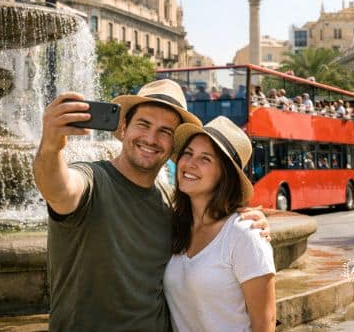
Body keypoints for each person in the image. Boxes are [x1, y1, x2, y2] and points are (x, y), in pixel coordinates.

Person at [33, 80, 268, 330]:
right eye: (143, 124)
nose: (151, 138)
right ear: (123, 127)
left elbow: (213, 229)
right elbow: (58, 188)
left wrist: (247, 223)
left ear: (172, 146)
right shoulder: (92, 180)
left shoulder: (170, 202)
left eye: (165, 132)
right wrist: (51, 146)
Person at [165, 116, 276, 332]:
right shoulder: (174, 225)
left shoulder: (245, 234)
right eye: (188, 153)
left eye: (205, 159)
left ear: (224, 174)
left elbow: (265, 324)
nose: (189, 163)